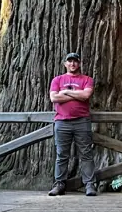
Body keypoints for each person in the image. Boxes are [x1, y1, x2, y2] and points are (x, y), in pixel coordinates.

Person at [48, 52, 97, 197]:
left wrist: (66, 92)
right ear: (65, 64)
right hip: (62, 122)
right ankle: (59, 184)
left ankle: (89, 184)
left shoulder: (87, 79)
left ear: (79, 63)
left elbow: (85, 95)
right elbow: (54, 98)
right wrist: (75, 93)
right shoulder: (57, 80)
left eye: (75, 61)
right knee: (62, 155)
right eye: (69, 61)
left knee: (86, 154)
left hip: (82, 121)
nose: (72, 64)